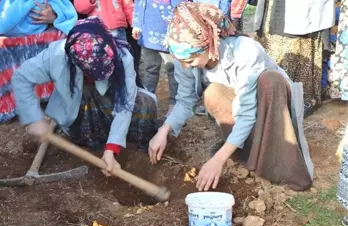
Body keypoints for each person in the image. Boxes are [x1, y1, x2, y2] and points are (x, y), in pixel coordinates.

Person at [148, 2, 314, 191]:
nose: (186, 66)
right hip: (240, 107)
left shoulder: (246, 51)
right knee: (213, 93)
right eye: (182, 61)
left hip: (270, 104)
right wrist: (164, 130)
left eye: (191, 60)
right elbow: (185, 101)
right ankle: (245, 153)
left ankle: (279, 166)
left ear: (209, 45)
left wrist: (218, 159)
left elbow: (247, 112)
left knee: (271, 81)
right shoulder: (185, 60)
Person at [12, 17, 158, 175]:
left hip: (111, 100)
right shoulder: (57, 56)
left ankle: (127, 144)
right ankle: (91, 142)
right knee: (86, 94)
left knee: (146, 104)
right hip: (79, 104)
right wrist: (34, 118)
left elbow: (125, 104)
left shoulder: (122, 57)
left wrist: (111, 149)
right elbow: (21, 77)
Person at [132, 0, 181, 117]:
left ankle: (174, 107)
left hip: (170, 32)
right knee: (150, 69)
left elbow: (180, 6)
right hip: (148, 31)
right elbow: (139, 3)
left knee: (173, 70)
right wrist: (136, 24)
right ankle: (148, 105)